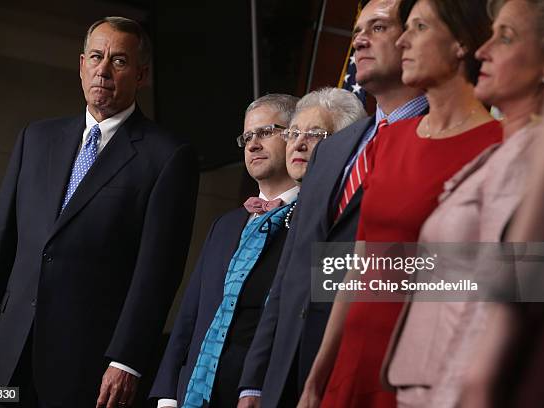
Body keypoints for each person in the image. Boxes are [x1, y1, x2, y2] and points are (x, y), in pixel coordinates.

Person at [0, 17, 199, 407]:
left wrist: (127, 360)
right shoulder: (36, 138)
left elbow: (157, 272)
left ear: (141, 74)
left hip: (87, 366)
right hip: (8, 353)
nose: (103, 69)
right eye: (96, 57)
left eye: (118, 61)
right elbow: (0, 241)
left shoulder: (167, 157)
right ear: (81, 64)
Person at [300, 0, 501, 407]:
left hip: (424, 371)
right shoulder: (390, 141)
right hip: (350, 362)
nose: (403, 39)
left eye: (419, 27)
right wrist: (319, 373)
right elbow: (359, 266)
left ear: (461, 41)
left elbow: (511, 278)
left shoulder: (500, 145)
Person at [238, 1, 428, 406]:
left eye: (378, 27)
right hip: (286, 375)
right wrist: (255, 381)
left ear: (415, 35)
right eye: (359, 29)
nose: (359, 39)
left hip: (372, 374)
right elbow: (291, 271)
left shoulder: (441, 136)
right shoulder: (335, 147)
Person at [383, 0, 544, 406]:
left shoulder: (529, 155)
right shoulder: (505, 151)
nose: (483, 49)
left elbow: (497, 295)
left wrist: (459, 391)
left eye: (507, 37)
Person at [149, 94, 299, 408]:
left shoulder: (314, 222)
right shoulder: (225, 225)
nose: (253, 145)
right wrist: (166, 394)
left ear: (296, 136)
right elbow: (189, 314)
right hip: (194, 396)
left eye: (265, 132)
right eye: (247, 137)